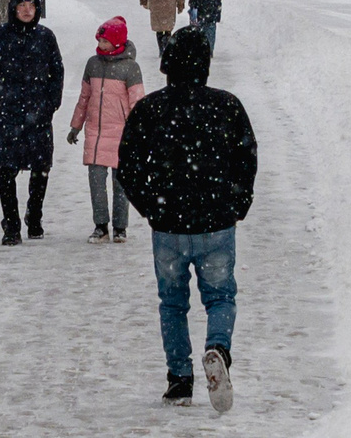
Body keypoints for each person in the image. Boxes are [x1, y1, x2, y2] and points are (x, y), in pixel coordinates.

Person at [117, 25, 256, 411]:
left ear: (167, 64)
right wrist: (237, 202)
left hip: (169, 225)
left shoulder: (150, 109)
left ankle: (179, 379)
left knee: (173, 304)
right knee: (221, 296)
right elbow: (247, 158)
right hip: (215, 221)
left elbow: (126, 164)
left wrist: (150, 207)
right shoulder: (227, 106)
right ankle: (217, 349)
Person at [0, 0, 64, 246]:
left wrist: (51, 104)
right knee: (7, 170)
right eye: (21, 5)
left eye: (31, 6)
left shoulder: (46, 37)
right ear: (13, 8)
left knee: (41, 168)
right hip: (8, 114)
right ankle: (11, 225)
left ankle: (34, 217)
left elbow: (57, 73)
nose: (26, 10)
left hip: (39, 114)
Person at [67, 15, 146, 243]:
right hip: (95, 133)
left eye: (105, 41)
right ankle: (101, 226)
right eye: (99, 41)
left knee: (121, 185)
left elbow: (137, 104)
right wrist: (75, 126)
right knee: (96, 183)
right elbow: (84, 98)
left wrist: (139, 133)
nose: (100, 45)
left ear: (117, 41)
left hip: (122, 136)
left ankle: (120, 227)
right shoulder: (92, 64)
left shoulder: (130, 68)